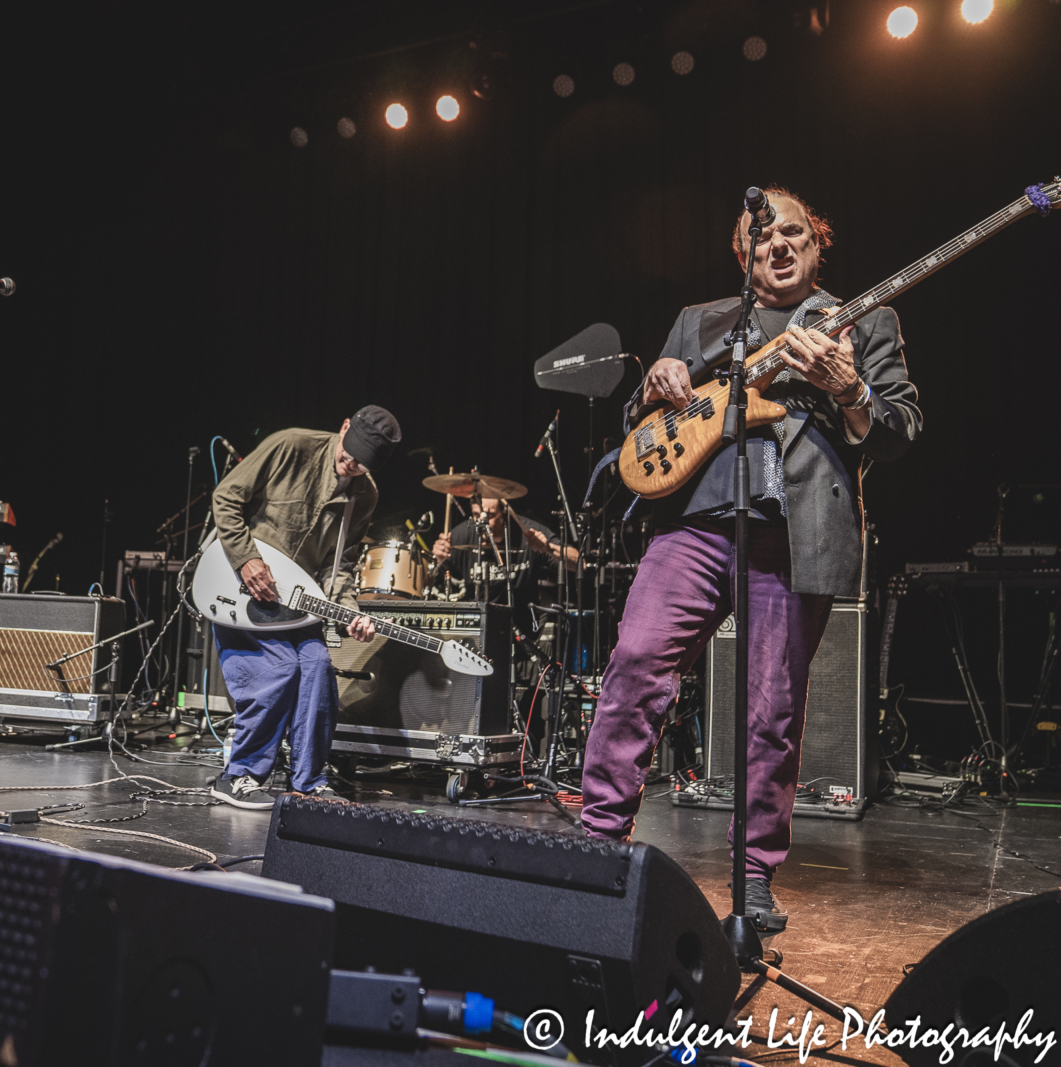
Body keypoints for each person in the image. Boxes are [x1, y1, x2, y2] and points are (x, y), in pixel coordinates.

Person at [579, 187, 921, 932]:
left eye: (793, 231)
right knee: (635, 664)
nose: (779, 244)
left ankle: (754, 872)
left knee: (772, 711)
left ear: (816, 242)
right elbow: (648, 419)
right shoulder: (698, 321)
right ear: (744, 253)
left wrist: (850, 386)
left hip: (793, 531)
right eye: (762, 235)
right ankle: (598, 839)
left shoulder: (865, 319)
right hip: (695, 522)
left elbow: (898, 426)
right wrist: (654, 385)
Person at [207, 405, 402, 810]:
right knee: (279, 670)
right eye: (348, 456)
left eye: (361, 466)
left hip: (298, 605)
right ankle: (237, 775)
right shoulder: (291, 445)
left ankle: (309, 781)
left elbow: (342, 567)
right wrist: (246, 558)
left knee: (317, 669)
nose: (350, 467)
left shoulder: (364, 496)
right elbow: (226, 497)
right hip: (241, 586)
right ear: (344, 426)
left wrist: (350, 612)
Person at [430, 496, 578, 595]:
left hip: (520, 624)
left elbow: (579, 563)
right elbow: (430, 585)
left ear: (505, 514)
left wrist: (549, 548)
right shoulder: (461, 535)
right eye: (476, 515)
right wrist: (439, 560)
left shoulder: (527, 531)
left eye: (489, 516)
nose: (481, 524)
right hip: (474, 627)